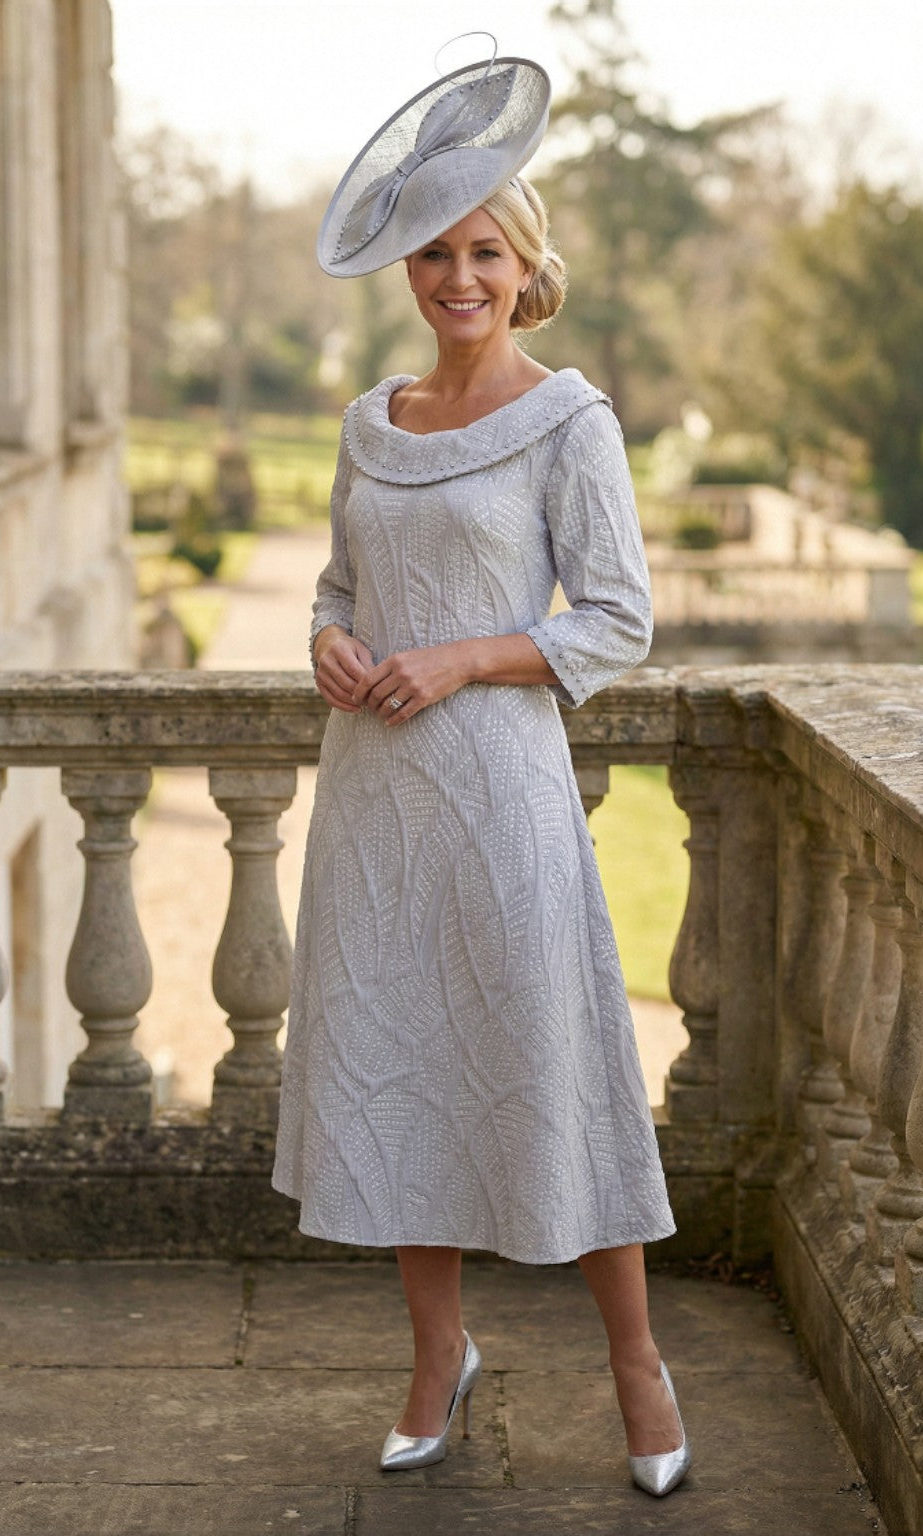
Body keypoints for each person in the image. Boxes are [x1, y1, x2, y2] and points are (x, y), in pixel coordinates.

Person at [272, 45, 691, 1498]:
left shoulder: (569, 422)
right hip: (377, 803)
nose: (461, 276)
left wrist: (459, 658)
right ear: (410, 269)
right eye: (439, 251)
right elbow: (337, 587)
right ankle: (434, 1355)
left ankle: (637, 1367)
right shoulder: (368, 426)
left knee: (556, 1069)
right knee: (401, 1069)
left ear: (527, 268)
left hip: (503, 797)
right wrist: (330, 643)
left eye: (487, 251)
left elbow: (619, 619)